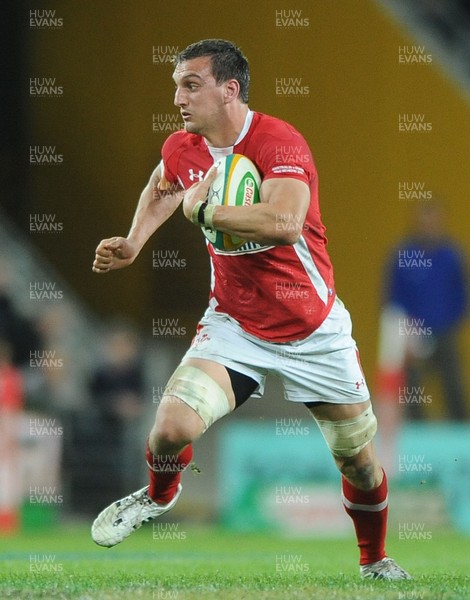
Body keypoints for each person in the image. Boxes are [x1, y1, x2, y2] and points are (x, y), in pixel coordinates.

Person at [91, 39, 410, 580]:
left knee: (357, 458)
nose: (178, 98)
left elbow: (285, 221)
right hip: (234, 323)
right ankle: (158, 496)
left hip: (313, 329)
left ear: (229, 90)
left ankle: (374, 560)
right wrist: (134, 240)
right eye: (177, 86)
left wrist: (207, 211)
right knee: (169, 429)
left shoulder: (278, 141)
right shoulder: (184, 145)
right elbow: (166, 182)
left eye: (191, 85)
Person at [379, 201, 468, 422]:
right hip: (411, 333)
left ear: (441, 221)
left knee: (453, 384)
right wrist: (403, 330)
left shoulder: (452, 256)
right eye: (424, 220)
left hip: (445, 331)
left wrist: (455, 321)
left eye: (433, 220)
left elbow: (462, 293)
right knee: (411, 386)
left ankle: (461, 433)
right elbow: (392, 297)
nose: (428, 225)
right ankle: (416, 434)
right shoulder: (402, 256)